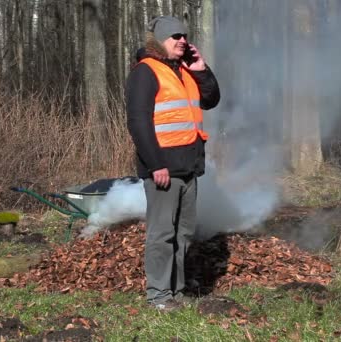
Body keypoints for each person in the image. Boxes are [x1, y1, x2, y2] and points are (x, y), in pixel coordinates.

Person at [125, 15, 220, 311]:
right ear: (160, 40)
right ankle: (158, 296)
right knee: (162, 234)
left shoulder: (185, 70)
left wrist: (201, 70)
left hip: (188, 168)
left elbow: (211, 99)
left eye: (184, 35)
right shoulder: (145, 72)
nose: (182, 39)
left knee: (184, 234)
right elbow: (138, 123)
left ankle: (175, 292)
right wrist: (156, 165)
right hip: (163, 169)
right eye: (175, 35)